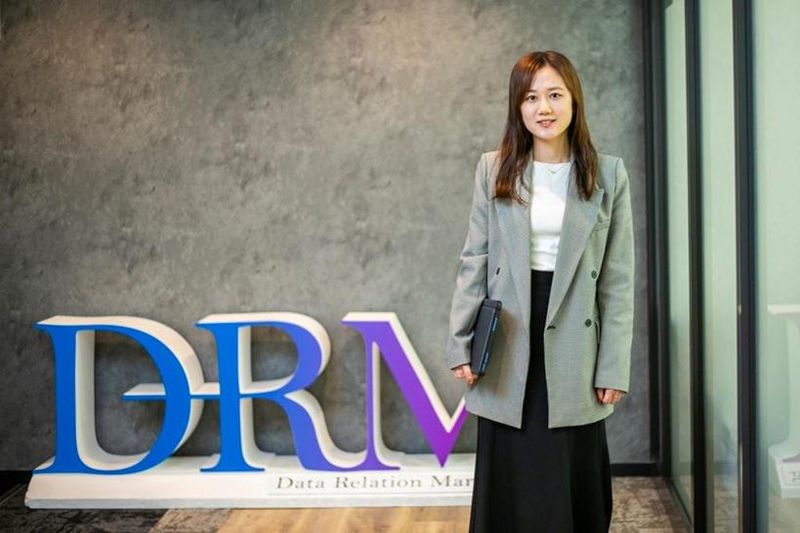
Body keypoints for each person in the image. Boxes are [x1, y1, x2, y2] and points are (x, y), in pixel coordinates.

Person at [445, 50, 635, 532]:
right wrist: (461, 341)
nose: (543, 108)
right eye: (531, 98)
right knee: (512, 472)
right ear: (518, 106)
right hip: (508, 335)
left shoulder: (607, 174)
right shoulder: (494, 169)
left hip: (575, 336)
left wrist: (613, 365)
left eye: (554, 95)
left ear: (574, 101)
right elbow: (475, 260)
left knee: (566, 473)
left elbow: (617, 279)